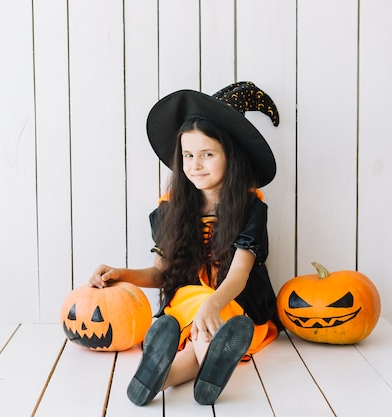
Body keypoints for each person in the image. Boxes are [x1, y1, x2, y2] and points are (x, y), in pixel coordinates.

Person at [89, 81, 283, 406]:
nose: (195, 165)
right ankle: (208, 363)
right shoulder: (172, 206)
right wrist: (121, 274)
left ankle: (162, 376)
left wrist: (214, 303)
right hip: (192, 302)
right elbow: (162, 274)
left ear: (231, 156)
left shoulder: (251, 207)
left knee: (213, 318)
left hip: (236, 303)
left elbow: (239, 275)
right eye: (188, 155)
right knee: (197, 308)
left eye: (207, 154)